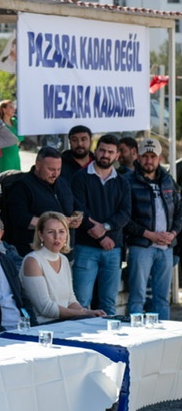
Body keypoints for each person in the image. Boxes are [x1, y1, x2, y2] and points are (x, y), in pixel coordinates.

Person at [71, 135, 131, 315]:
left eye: (110, 152)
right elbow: (79, 210)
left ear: (117, 155)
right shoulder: (80, 178)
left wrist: (105, 227)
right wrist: (101, 236)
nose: (105, 155)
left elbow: (125, 213)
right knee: (81, 303)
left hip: (113, 249)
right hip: (85, 248)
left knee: (109, 304)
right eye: (102, 150)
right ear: (95, 151)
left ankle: (107, 334)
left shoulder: (122, 182)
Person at [125, 138, 182, 320]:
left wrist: (173, 234)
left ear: (159, 158)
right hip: (141, 247)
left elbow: (179, 212)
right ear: (138, 157)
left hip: (166, 248)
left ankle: (163, 335)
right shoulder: (127, 181)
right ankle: (135, 334)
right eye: (145, 156)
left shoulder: (168, 181)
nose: (148, 160)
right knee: (137, 298)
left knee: (162, 299)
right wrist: (149, 235)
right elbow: (125, 218)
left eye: (153, 156)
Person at [20, 212, 106, 323]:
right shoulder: (32, 261)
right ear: (41, 235)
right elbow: (45, 308)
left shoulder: (64, 259)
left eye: (61, 231)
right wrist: (83, 313)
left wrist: (89, 312)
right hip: (43, 325)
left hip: (66, 322)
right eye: (51, 232)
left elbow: (70, 300)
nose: (57, 237)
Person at [5, 147, 81, 256]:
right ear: (38, 165)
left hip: (64, 253)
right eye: (51, 169)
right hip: (34, 253)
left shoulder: (62, 183)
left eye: (59, 169)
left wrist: (77, 217)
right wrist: (57, 223)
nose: (56, 174)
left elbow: (76, 205)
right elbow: (18, 218)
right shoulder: (22, 186)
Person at [0, 100, 24, 172]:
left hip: (15, 155)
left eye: (13, 107)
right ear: (4, 110)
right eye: (10, 107)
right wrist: (15, 141)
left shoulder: (15, 121)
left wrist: (16, 141)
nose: (13, 109)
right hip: (4, 156)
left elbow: (21, 136)